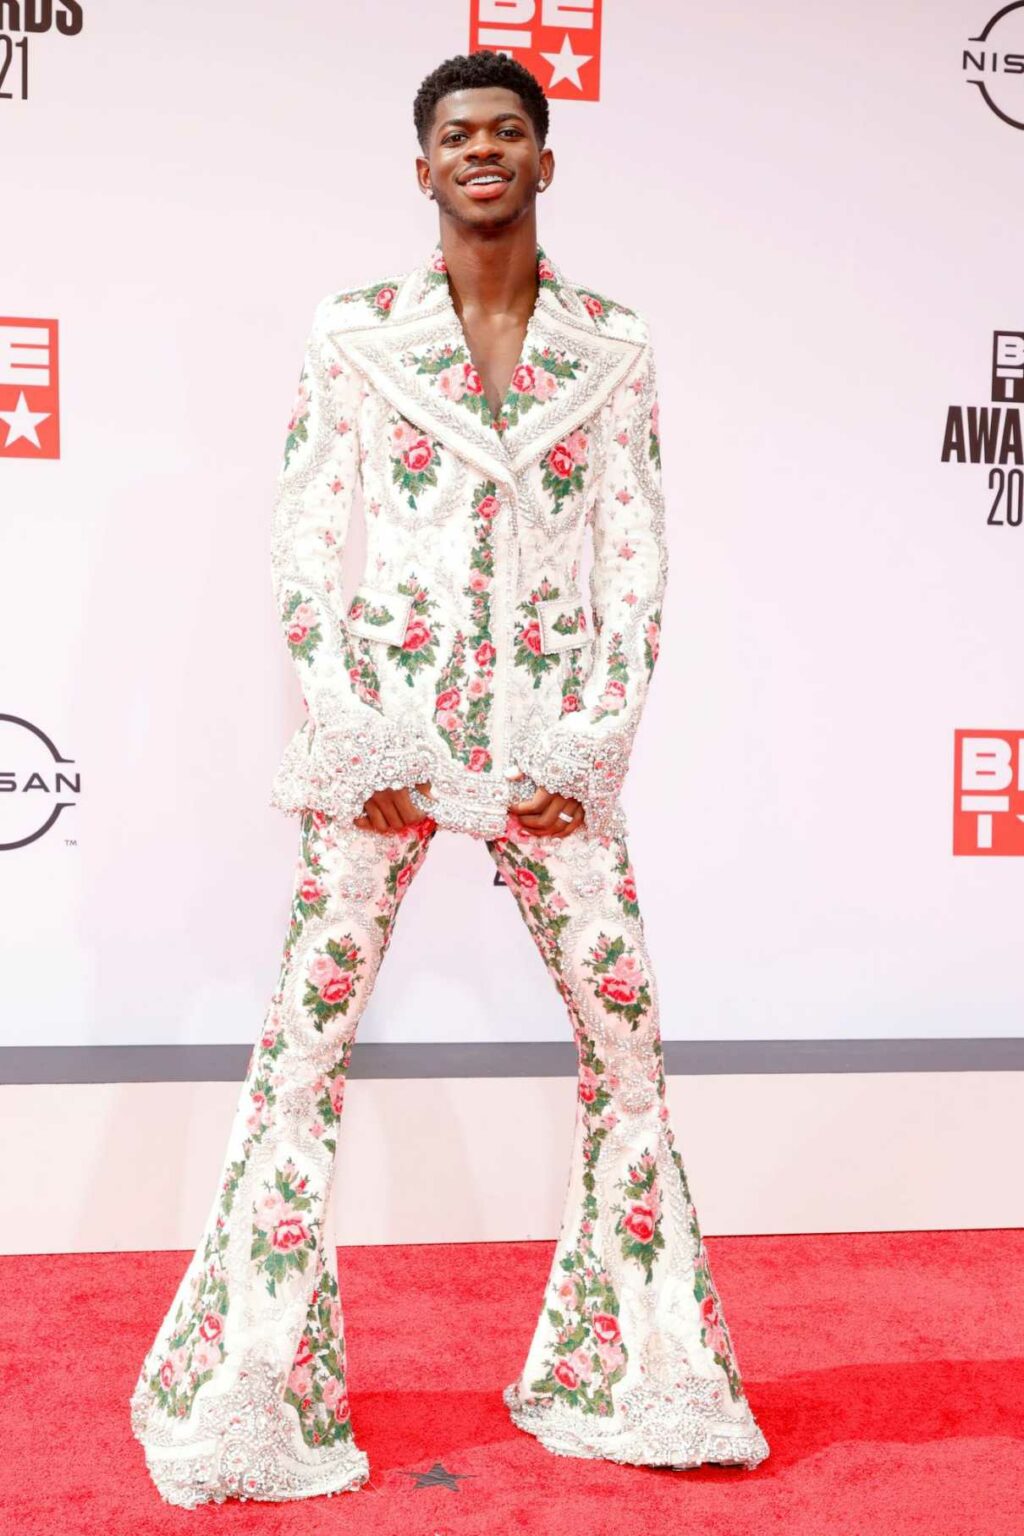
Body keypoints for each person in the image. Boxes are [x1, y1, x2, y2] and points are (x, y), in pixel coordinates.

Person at [129, 49, 770, 1508]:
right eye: (455, 134)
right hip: (387, 750)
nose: (482, 150)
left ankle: (640, 1365)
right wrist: (358, 733)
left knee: (629, 1056)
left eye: (508, 132)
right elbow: (308, 545)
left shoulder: (612, 342)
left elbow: (637, 560)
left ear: (548, 163)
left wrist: (585, 746)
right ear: (422, 169)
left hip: (550, 753)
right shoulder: (354, 333)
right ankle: (245, 1384)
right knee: (301, 1055)